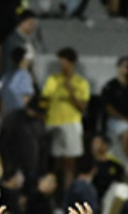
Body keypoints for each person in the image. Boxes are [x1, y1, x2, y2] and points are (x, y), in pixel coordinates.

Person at [41, 48, 89, 192]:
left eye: (64, 62)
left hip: (71, 124)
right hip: (53, 124)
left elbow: (82, 107)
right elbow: (44, 101)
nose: (62, 65)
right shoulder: (52, 80)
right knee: (55, 164)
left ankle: (68, 196)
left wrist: (71, 92)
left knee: (70, 164)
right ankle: (53, 195)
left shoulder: (81, 83)